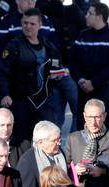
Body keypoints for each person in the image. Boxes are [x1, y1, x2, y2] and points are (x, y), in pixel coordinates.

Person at [0, 8, 59, 142]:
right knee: (21, 141)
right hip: (20, 101)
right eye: (25, 23)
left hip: (43, 101)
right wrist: (4, 94)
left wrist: (57, 75)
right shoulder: (14, 46)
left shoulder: (48, 46)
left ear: (40, 25)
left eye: (32, 24)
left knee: (49, 138)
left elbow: (56, 67)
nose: (28, 26)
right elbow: (0, 72)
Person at [69, 2, 109, 132]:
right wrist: (80, 80)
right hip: (84, 91)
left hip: (105, 90)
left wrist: (94, 83)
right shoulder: (82, 36)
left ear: (99, 17)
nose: (86, 16)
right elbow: (72, 61)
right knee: (84, 127)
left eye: (90, 13)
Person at [37, 0, 86, 130]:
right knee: (77, 112)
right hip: (64, 69)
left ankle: (55, 145)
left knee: (58, 114)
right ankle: (73, 145)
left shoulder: (42, 11)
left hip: (57, 69)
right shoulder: (72, 10)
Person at [18, 120, 67, 187]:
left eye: (59, 139)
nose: (59, 143)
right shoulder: (28, 161)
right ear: (40, 143)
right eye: (55, 140)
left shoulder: (60, 154)